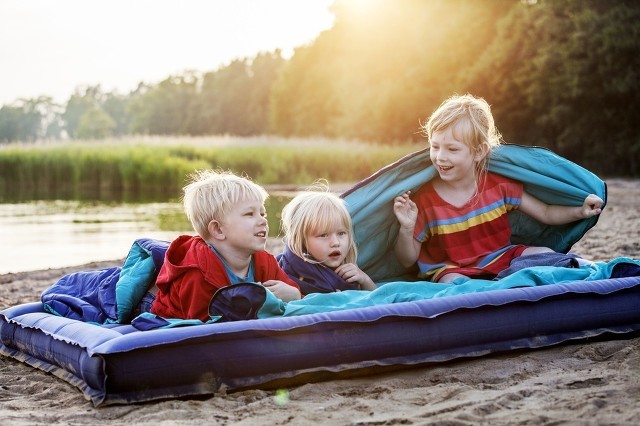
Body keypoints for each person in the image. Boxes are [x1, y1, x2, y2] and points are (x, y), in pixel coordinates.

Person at [393, 94, 604, 283]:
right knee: (452, 283)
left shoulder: (499, 185)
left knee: (543, 253)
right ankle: (499, 289)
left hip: (503, 257)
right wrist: (407, 228)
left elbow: (545, 213)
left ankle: (592, 271)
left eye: (452, 149)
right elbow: (406, 260)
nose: (440, 157)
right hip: (453, 269)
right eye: (435, 146)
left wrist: (580, 211)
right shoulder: (425, 200)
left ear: (479, 152)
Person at [149, 170, 301, 321]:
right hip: (169, 315)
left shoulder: (265, 262)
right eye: (249, 214)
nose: (263, 221)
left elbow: (296, 301)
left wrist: (294, 294)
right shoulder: (197, 272)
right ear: (218, 229)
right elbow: (200, 330)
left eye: (262, 214)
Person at [278, 183, 377, 294]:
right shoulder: (286, 275)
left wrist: (364, 280)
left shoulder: (349, 270)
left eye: (341, 233)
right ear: (301, 239)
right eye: (324, 235)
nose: (335, 243)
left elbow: (378, 300)